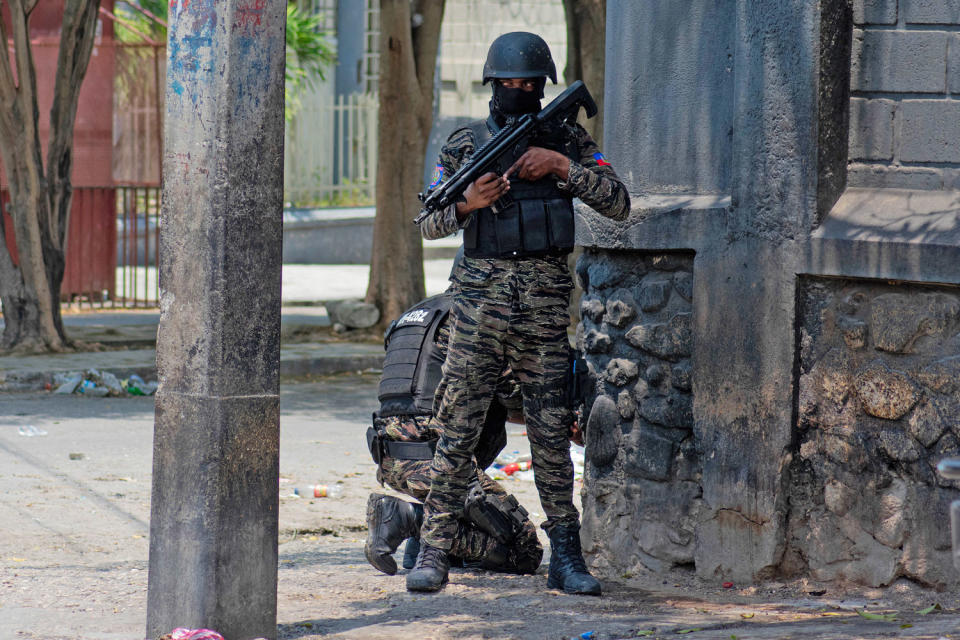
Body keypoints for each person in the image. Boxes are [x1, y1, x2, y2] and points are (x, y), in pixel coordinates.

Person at [406, 32, 630, 595]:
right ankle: (433, 553)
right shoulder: (464, 146)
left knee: (551, 438)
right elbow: (430, 219)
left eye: (530, 85)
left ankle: (567, 559)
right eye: (509, 84)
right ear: (491, 85)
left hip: (545, 317)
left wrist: (561, 166)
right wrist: (468, 204)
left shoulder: (568, 139)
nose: (519, 91)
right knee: (456, 431)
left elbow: (619, 201)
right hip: (479, 311)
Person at [364, 285, 543, 577]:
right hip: (441, 465)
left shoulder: (413, 315)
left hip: (388, 457)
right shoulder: (474, 318)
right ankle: (409, 520)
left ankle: (422, 540)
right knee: (525, 552)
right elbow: (515, 400)